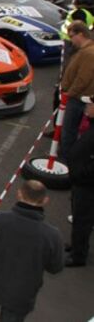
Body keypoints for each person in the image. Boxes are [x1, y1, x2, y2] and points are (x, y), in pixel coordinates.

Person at [0, 179, 64, 322]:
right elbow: (55, 267)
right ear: (45, 201)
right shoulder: (52, 235)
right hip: (21, 297)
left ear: (19, 194)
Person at [61, 21, 94, 161]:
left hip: (78, 98)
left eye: (71, 35)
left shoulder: (88, 53)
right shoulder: (85, 51)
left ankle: (66, 159)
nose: (70, 39)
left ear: (80, 34)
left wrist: (70, 93)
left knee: (69, 129)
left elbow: (83, 78)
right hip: (79, 96)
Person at [68, 104, 94, 267]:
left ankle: (78, 256)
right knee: (78, 217)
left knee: (83, 220)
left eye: (92, 105)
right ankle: (75, 246)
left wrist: (81, 174)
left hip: (87, 185)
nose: (88, 107)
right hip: (80, 182)